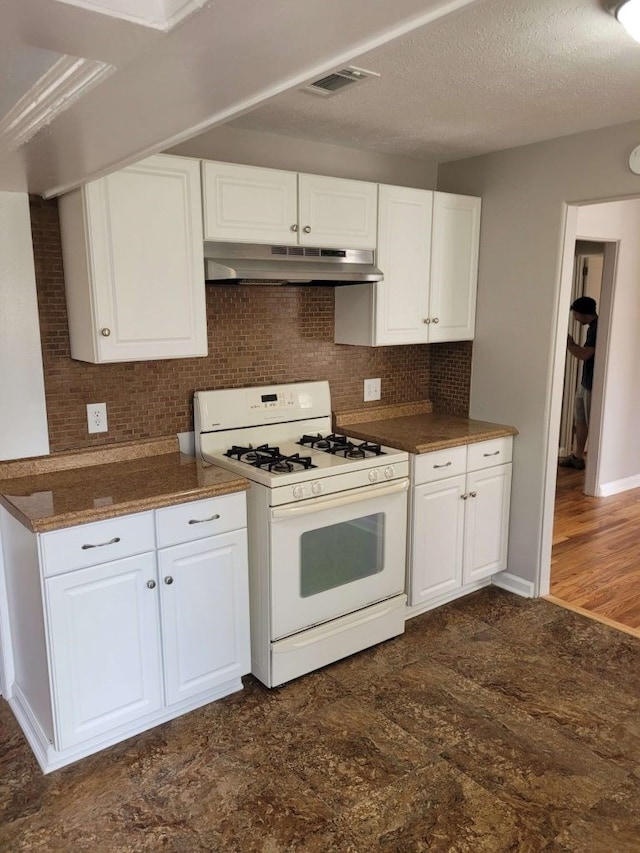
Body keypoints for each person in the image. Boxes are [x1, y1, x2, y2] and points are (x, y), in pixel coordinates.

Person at [559, 295, 598, 470]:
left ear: (582, 313)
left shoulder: (597, 328)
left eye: (575, 314)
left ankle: (595, 467)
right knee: (580, 420)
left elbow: (585, 355)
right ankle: (577, 456)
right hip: (585, 383)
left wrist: (568, 345)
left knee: (591, 422)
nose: (574, 318)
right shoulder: (593, 328)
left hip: (593, 384)